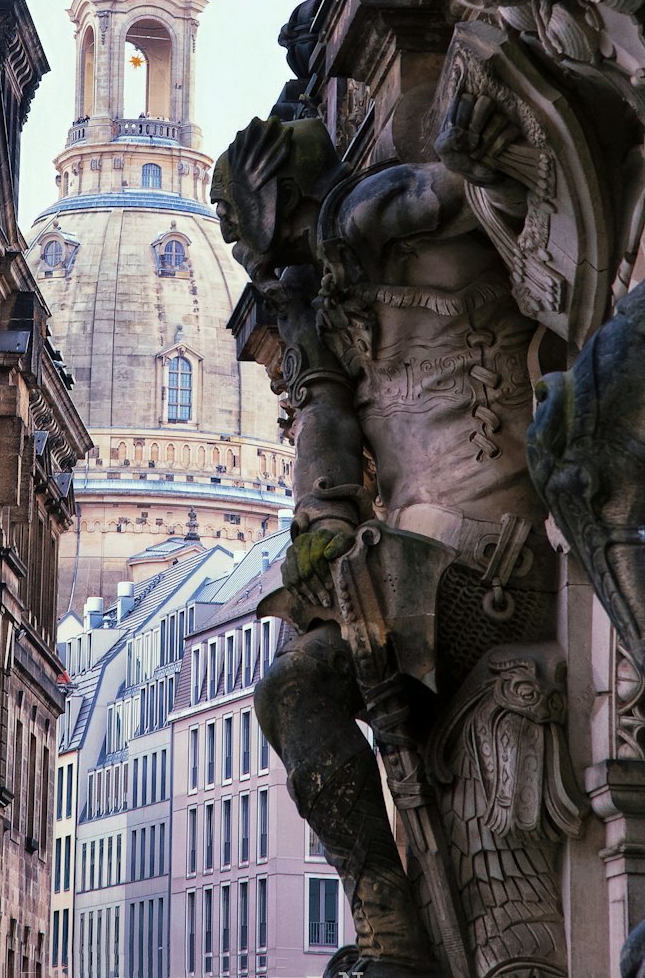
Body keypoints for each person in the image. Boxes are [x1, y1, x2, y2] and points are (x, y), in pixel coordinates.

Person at [211, 98, 559, 977]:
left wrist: (477, 165)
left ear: (267, 202)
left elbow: (478, 195)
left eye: (236, 225)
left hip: (494, 556)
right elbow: (327, 438)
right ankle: (384, 912)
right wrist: (322, 529)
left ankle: (387, 917)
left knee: (298, 683)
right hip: (419, 559)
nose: (241, 251)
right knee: (294, 680)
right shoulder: (329, 300)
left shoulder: (371, 215)